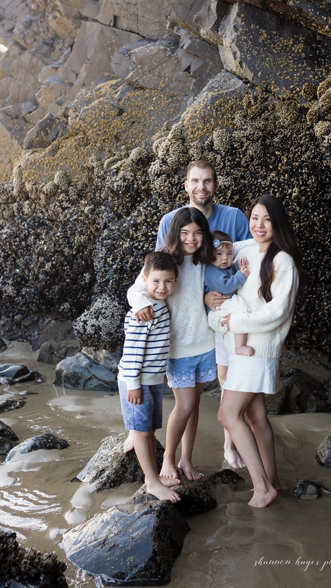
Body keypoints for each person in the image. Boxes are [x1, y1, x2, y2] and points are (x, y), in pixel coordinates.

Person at [153, 159, 251, 468]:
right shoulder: (171, 224)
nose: (201, 187)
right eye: (195, 181)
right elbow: (156, 278)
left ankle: (204, 454)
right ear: (186, 185)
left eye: (207, 181)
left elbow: (250, 259)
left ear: (216, 185)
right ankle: (162, 452)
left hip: (219, 324)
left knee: (213, 393)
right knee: (185, 404)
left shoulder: (233, 219)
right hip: (184, 333)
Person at [209, 195, 302, 508]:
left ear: (278, 223)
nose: (259, 225)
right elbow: (211, 255)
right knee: (256, 415)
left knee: (227, 414)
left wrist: (236, 320)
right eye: (254, 218)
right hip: (241, 349)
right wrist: (212, 302)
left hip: (258, 350)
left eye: (267, 219)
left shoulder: (282, 261)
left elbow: (278, 311)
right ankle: (273, 480)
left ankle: (262, 487)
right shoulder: (246, 248)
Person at [129, 207, 215, 485]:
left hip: (205, 344)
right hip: (178, 349)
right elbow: (137, 287)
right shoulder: (167, 262)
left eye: (198, 233)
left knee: (194, 405)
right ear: (175, 234)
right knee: (185, 404)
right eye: (185, 233)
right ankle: (168, 458)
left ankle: (186, 458)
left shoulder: (206, 260)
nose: (191, 238)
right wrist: (140, 303)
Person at [119, 251, 181, 503]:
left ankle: (136, 436)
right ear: (144, 279)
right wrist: (133, 384)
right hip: (137, 380)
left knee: (151, 427)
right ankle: (151, 482)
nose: (162, 287)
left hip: (152, 378)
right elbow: (132, 349)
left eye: (168, 281)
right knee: (144, 432)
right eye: (156, 281)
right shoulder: (143, 310)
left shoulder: (158, 303)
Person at [205, 231, 253, 356]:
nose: (225, 258)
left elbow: (232, 272)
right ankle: (239, 346)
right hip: (217, 312)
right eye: (219, 254)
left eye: (229, 253)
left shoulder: (225, 267)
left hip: (224, 307)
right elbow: (226, 287)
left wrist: (239, 266)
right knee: (241, 311)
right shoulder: (211, 271)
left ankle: (237, 346)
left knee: (240, 310)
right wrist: (241, 276)